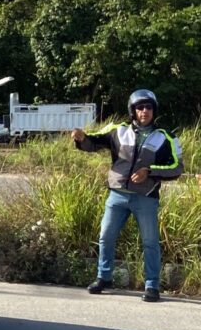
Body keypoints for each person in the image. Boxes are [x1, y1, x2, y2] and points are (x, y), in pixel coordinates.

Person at [71, 89, 183, 302]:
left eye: (148, 107)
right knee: (106, 236)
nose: (144, 111)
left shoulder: (167, 137)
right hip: (117, 195)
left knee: (150, 242)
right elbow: (94, 142)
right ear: (133, 110)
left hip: (146, 197)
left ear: (154, 110)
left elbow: (177, 168)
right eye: (140, 107)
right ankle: (104, 277)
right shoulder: (118, 130)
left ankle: (152, 286)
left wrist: (149, 172)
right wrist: (81, 138)